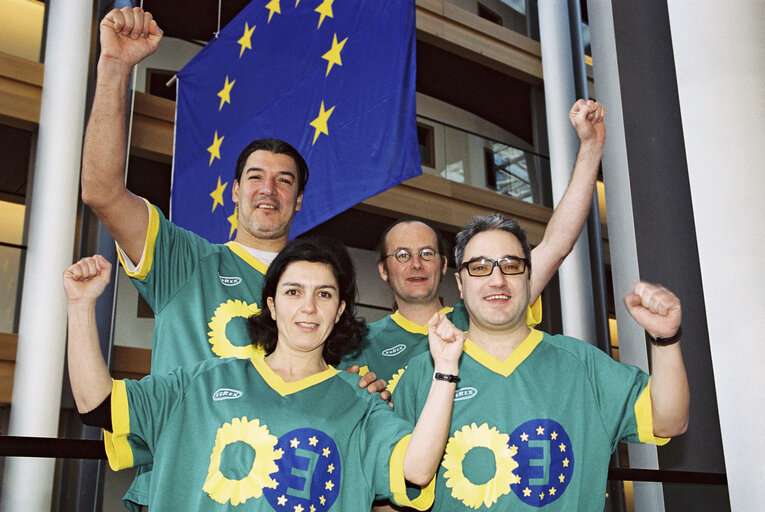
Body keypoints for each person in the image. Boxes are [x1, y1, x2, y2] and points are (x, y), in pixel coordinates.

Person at [80, 7, 384, 509]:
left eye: (285, 181)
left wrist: (365, 383)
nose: (269, 189)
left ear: (300, 200)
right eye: (256, 177)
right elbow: (102, 191)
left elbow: (349, 403)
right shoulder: (184, 260)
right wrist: (114, 69)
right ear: (233, 192)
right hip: (178, 489)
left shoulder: (324, 299)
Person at [64, 239, 466, 511]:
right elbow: (96, 405)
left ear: (340, 310)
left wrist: (446, 370)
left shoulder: (360, 405)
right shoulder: (200, 383)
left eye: (324, 294)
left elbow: (416, 468)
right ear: (272, 305)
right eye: (294, 292)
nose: (308, 307)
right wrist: (81, 308)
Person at [393, 214, 690, 510]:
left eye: (511, 266)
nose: (497, 279)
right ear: (460, 283)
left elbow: (668, 421)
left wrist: (665, 340)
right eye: (480, 267)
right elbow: (396, 492)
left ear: (529, 276)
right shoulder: (424, 374)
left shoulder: (581, 365)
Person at [342, 99, 607, 391]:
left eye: (427, 253)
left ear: (445, 266)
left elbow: (556, 245)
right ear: (383, 269)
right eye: (403, 255)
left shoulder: (487, 310)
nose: (416, 263)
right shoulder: (358, 344)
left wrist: (591, 147)